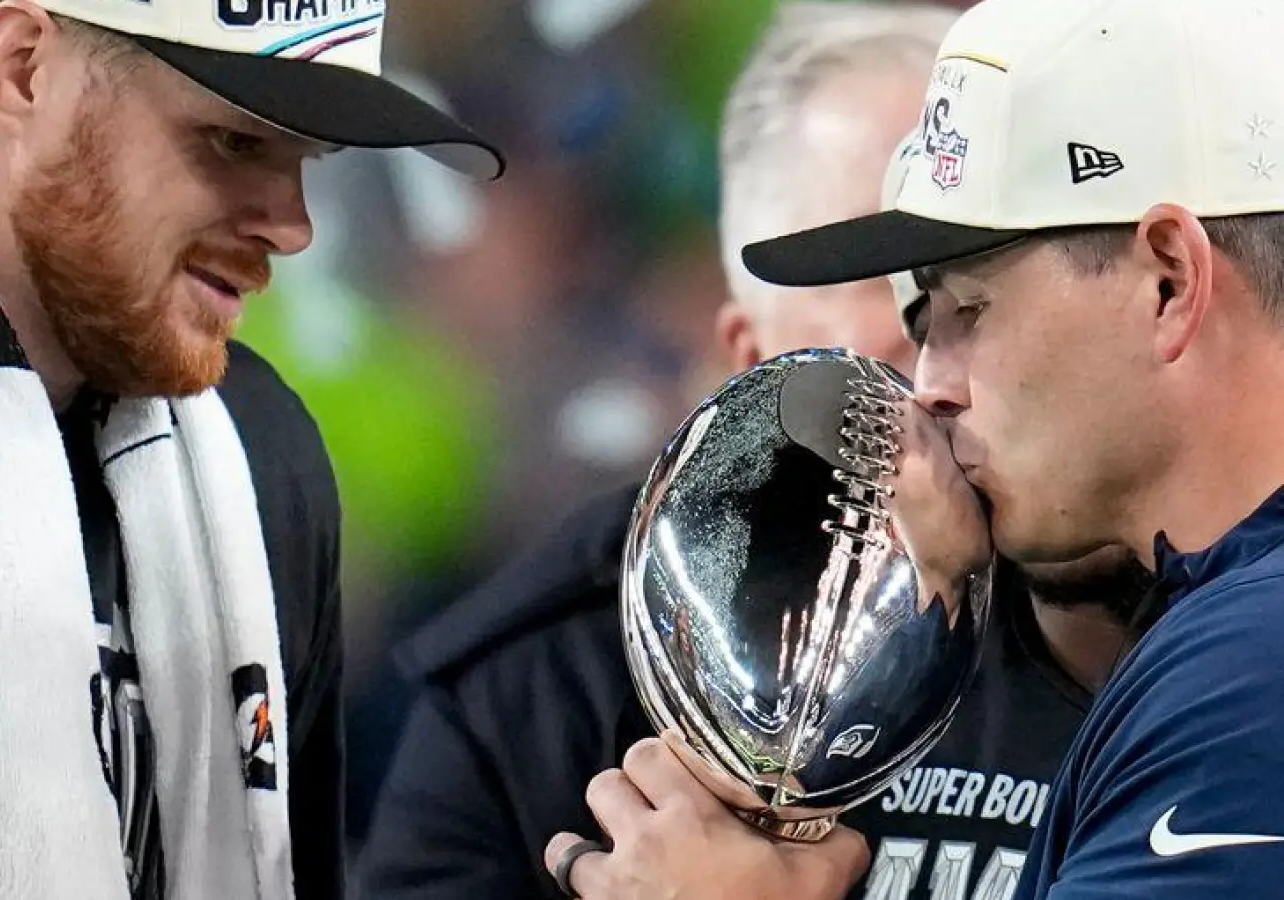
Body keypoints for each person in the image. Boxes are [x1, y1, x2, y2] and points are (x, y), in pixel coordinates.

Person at [0, 1, 502, 899]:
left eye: (304, 158)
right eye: (234, 141)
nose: (291, 226)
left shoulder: (257, 460)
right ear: (23, 69)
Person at [358, 4, 1148, 900]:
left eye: (981, 283)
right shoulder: (548, 685)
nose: (939, 351)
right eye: (888, 282)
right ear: (748, 357)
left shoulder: (1147, 603)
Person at [550, 0, 1284, 897]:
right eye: (920, 320)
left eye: (967, 308)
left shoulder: (1251, 671)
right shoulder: (1224, 640)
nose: (927, 383)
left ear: (1168, 281)